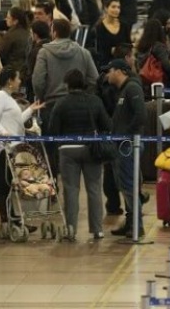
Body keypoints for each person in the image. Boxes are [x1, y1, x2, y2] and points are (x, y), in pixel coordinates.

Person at [45, 69, 110, 241]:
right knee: (94, 188)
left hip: (67, 150)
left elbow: (53, 130)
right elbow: (106, 124)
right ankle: (97, 229)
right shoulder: (95, 101)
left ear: (67, 85)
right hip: (91, 148)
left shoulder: (61, 103)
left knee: (71, 190)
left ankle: (71, 229)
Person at [0, 67, 45, 237]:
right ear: (10, 81)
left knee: (11, 185)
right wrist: (2, 132)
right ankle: (8, 221)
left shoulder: (8, 98)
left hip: (13, 147)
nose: (20, 81)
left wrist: (30, 111)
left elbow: (16, 120)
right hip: (3, 148)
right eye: (18, 78)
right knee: (5, 185)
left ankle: (14, 219)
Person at [106, 59, 147, 237]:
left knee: (129, 186)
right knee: (124, 185)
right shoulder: (123, 91)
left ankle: (137, 225)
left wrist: (127, 135)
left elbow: (141, 115)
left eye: (110, 70)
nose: (107, 74)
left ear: (120, 71)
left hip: (128, 145)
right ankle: (131, 221)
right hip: (123, 145)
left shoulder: (132, 88)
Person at [33, 19, 98, 107]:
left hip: (52, 103)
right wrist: (84, 95)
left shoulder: (44, 53)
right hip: (79, 103)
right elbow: (94, 79)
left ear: (54, 33)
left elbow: (38, 81)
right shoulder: (84, 52)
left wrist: (42, 98)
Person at [93, 0, 132, 68]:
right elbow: (100, 50)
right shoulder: (99, 28)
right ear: (106, 8)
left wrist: (116, 50)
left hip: (123, 63)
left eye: (118, 7)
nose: (116, 10)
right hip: (106, 64)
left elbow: (129, 45)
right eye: (113, 7)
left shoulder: (124, 25)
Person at [0, 7, 31, 73]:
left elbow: (1, 53)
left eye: (8, 17)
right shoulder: (27, 31)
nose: (6, 19)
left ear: (15, 21)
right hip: (24, 68)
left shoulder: (10, 35)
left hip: (12, 70)